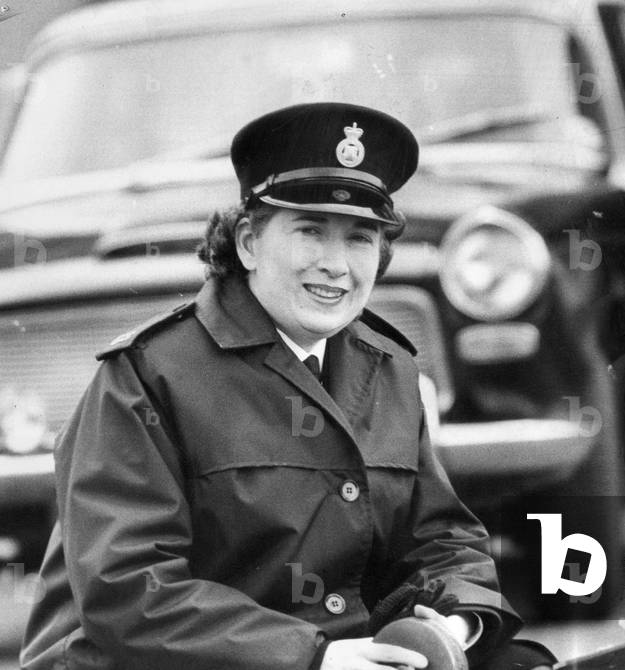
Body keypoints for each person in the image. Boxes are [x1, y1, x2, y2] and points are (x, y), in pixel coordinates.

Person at [20, 102, 555, 670]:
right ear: (248, 242)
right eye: (310, 231)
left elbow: (440, 538)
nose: (336, 265)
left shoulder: (389, 369)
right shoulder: (145, 376)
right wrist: (315, 658)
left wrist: (453, 624)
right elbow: (128, 589)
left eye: (360, 238)